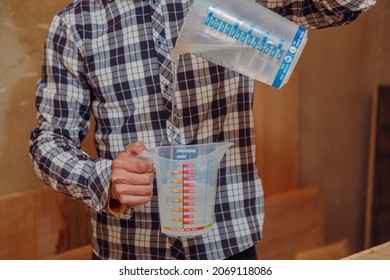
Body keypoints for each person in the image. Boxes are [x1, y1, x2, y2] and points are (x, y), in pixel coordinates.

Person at [29, 0, 376, 260]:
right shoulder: (76, 23)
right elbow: (49, 140)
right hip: (128, 249)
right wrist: (102, 178)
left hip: (226, 243)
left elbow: (338, 7)